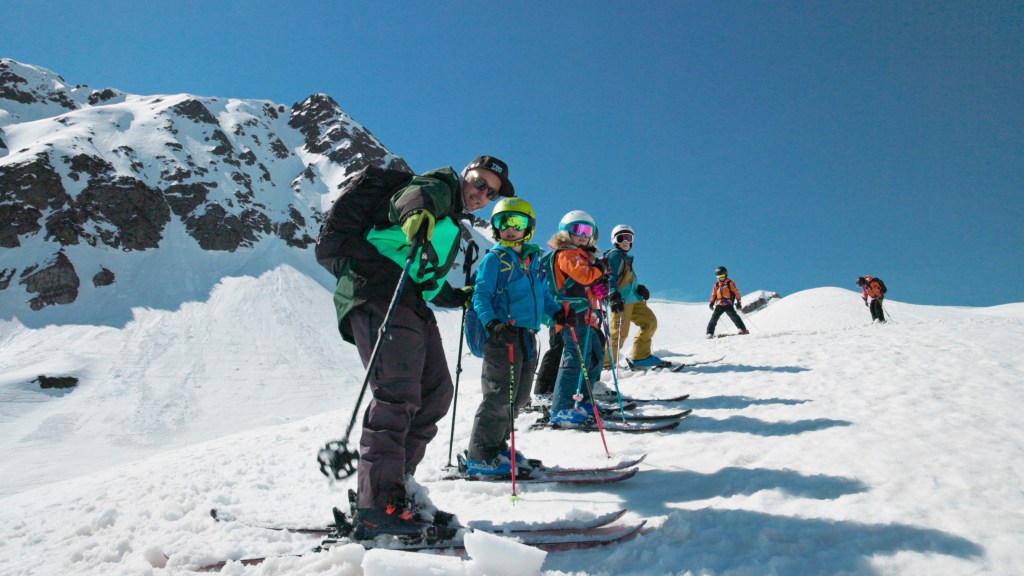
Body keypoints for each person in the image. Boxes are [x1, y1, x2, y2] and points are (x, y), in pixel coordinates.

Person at [330, 156, 514, 538]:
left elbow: (423, 274)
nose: (483, 194)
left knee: (435, 393)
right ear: (465, 174)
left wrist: (455, 296)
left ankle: (397, 490)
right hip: (377, 287)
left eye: (492, 193)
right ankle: (378, 507)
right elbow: (416, 198)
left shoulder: (451, 223)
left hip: (410, 298)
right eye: (480, 182)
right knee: (396, 394)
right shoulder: (439, 187)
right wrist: (417, 215)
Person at [464, 198, 565, 476]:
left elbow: (542, 294)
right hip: (502, 337)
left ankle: (497, 447)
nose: (510, 228)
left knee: (519, 398)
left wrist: (556, 313)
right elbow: (481, 295)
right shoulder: (494, 259)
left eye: (517, 223)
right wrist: (493, 323)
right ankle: (480, 456)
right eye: (502, 222)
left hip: (526, 336)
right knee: (499, 396)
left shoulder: (532, 261)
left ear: (528, 227)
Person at [546, 210, 609, 427]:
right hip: (571, 315)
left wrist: (598, 287)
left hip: (586, 314)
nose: (583, 235)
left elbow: (585, 282)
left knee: (594, 356)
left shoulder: (581, 256)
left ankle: (583, 399)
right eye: (578, 229)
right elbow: (583, 276)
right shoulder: (567, 254)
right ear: (565, 232)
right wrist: (599, 268)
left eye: (588, 231)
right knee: (576, 358)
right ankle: (561, 407)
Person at [604, 224, 661, 368]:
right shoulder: (614, 255)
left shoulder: (626, 258)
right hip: (621, 300)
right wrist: (612, 294)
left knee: (649, 322)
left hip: (634, 299)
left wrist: (639, 288)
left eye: (628, 238)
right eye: (621, 238)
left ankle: (641, 356)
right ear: (614, 240)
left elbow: (627, 279)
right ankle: (605, 364)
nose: (625, 241)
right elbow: (611, 276)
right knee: (619, 334)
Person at [706, 266, 749, 338]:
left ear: (725, 275)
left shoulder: (730, 283)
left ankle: (743, 329)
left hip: (728, 303)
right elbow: (714, 294)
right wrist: (711, 303)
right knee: (714, 318)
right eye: (718, 276)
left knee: (734, 316)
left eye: (722, 276)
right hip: (719, 304)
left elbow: (736, 292)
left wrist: (739, 302)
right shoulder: (716, 285)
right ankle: (709, 333)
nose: (721, 278)